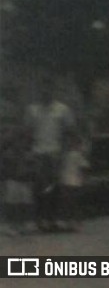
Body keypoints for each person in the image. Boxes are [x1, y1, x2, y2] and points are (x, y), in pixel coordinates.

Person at [25, 76, 75, 232]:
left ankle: (55, 219)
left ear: (53, 91)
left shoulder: (63, 110)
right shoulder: (32, 110)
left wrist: (64, 153)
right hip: (38, 153)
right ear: (39, 91)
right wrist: (28, 153)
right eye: (43, 89)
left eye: (49, 89)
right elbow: (27, 133)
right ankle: (39, 219)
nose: (46, 92)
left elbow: (69, 133)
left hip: (56, 153)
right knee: (38, 188)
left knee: (56, 188)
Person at [2, 127, 33, 236]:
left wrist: (29, 177)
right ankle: (11, 226)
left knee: (24, 204)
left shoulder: (27, 153)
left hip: (24, 181)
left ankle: (22, 225)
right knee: (12, 204)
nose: (21, 143)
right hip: (12, 180)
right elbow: (5, 168)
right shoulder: (8, 153)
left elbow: (30, 168)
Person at [58, 131, 89, 231]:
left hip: (73, 182)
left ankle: (75, 222)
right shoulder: (69, 155)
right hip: (68, 182)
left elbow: (83, 168)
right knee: (70, 203)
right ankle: (70, 222)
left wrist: (83, 180)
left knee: (72, 203)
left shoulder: (76, 155)